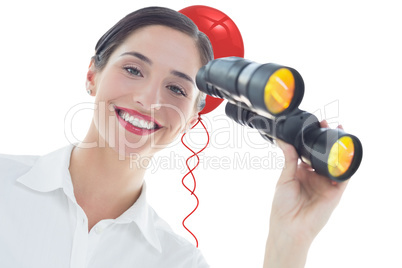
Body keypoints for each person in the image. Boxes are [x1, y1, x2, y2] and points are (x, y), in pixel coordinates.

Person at [0, 6, 348, 268]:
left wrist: (289, 239)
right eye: (133, 69)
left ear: (192, 120)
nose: (150, 100)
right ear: (92, 74)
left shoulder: (179, 261)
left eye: (177, 89)